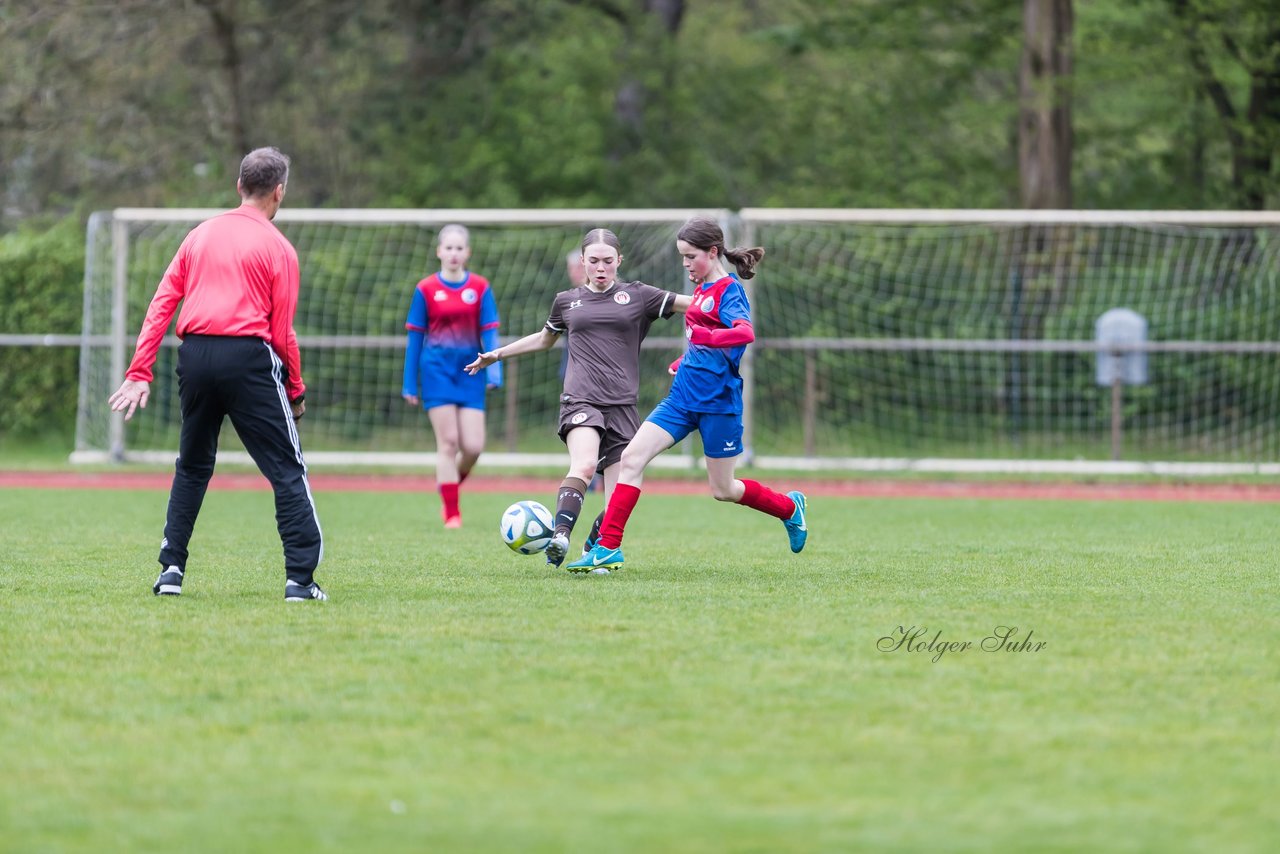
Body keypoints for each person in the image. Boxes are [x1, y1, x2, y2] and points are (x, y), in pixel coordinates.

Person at [107, 146, 326, 601]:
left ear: (239, 186)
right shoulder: (279, 248)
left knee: (192, 466)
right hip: (248, 359)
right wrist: (296, 390)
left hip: (196, 356)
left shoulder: (199, 234)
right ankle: (300, 583)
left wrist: (139, 370)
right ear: (279, 192)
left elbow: (163, 303)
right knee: (287, 470)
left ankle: (170, 571)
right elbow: (283, 333)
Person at [566, 216, 808, 572]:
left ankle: (790, 508)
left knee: (723, 489)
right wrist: (686, 360)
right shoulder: (699, 290)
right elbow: (703, 341)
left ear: (712, 253)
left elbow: (744, 333)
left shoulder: (729, 290)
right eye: (682, 256)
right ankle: (607, 547)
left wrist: (707, 341)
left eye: (690, 256)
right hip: (681, 400)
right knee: (631, 459)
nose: (685, 264)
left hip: (718, 405)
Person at [466, 228, 690, 570]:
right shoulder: (567, 301)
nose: (601, 268)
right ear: (583, 262)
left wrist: (723, 286)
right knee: (584, 465)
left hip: (623, 406)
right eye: (594, 261)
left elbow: (699, 305)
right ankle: (560, 536)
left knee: (621, 497)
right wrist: (496, 355)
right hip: (580, 400)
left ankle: (595, 546)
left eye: (608, 261)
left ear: (619, 261)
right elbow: (544, 340)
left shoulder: (640, 296)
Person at [401, 224, 502, 529]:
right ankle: (452, 513)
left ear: (467, 253)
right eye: (449, 248)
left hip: (471, 372)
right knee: (448, 443)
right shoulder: (426, 289)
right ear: (439, 251)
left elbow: (490, 332)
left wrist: (494, 368)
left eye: (460, 248)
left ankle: (449, 483)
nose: (454, 253)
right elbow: (415, 339)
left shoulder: (481, 288)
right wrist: (409, 382)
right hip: (436, 373)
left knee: (473, 446)